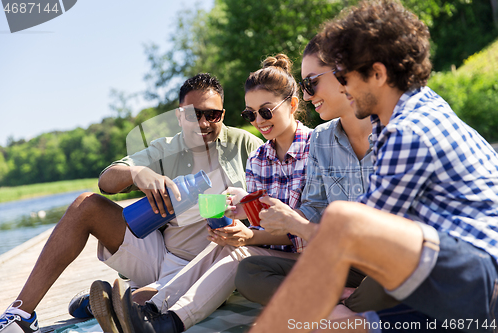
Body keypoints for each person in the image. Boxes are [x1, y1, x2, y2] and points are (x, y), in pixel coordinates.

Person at [249, 1, 498, 332]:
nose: (342, 86)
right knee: (329, 321)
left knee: (344, 221)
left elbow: (355, 234)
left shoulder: (409, 131)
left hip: (480, 282)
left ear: (378, 74)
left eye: (344, 75)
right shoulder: (410, 112)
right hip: (444, 277)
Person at [0, 73, 263, 333]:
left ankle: (110, 300)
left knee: (137, 308)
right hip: (161, 253)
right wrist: (139, 173)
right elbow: (106, 181)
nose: (203, 123)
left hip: (213, 263)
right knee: (86, 205)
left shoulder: (247, 146)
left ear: (223, 115)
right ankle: (20, 314)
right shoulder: (164, 148)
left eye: (212, 115)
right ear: (179, 116)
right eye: (193, 114)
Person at [91, 54, 314, 333]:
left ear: (293, 105)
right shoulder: (259, 158)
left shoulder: (317, 148)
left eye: (265, 112)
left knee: (236, 252)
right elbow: (263, 220)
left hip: (309, 252)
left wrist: (249, 233)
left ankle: (164, 322)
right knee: (227, 246)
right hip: (255, 252)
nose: (258, 120)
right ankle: (150, 312)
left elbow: (305, 225)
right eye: (250, 114)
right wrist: (241, 222)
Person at [235, 35, 399, 316]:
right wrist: (285, 216)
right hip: (342, 264)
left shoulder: (396, 131)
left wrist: (293, 225)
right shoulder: (322, 138)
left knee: (392, 278)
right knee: (249, 272)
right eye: (251, 114)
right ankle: (346, 305)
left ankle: (339, 308)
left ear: (343, 74)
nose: (309, 96)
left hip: (387, 262)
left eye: (311, 83)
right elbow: (315, 206)